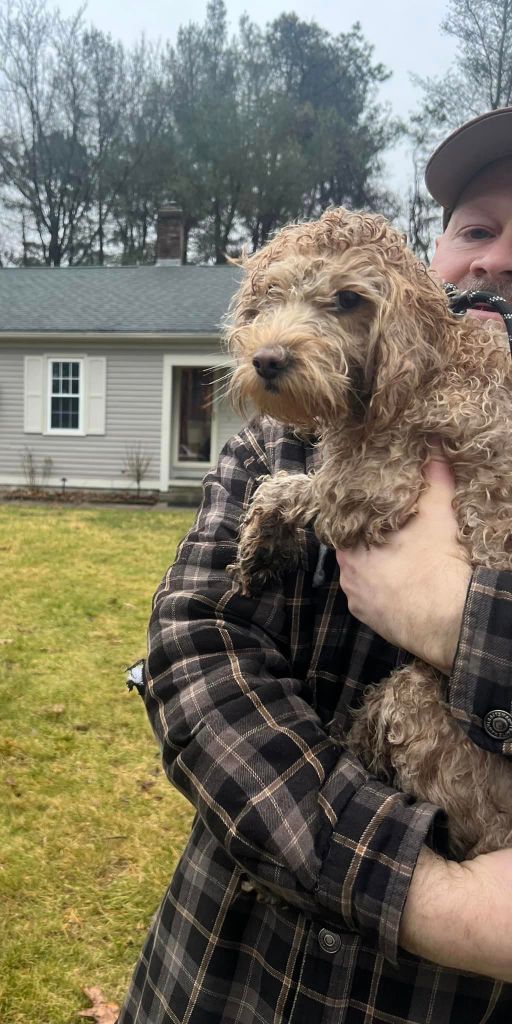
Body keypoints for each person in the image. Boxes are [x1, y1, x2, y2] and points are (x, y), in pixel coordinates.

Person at [119, 108, 512, 1024]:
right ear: (434, 265)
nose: (494, 260)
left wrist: (463, 621)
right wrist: (425, 896)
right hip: (223, 977)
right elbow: (193, 649)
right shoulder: (287, 440)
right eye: (477, 230)